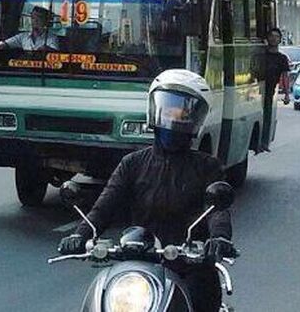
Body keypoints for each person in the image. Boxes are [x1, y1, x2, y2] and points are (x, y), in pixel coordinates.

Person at [58, 69, 236, 312]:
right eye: (169, 107)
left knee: (204, 301)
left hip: (190, 264)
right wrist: (81, 234)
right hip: (139, 262)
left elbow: (217, 209)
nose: (174, 117)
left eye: (183, 111)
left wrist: (219, 239)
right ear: (155, 108)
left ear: (195, 117)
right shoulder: (133, 163)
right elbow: (105, 205)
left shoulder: (207, 167)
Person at [260, 27, 290, 151]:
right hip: (256, 91)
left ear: (280, 40)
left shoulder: (282, 58)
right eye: (271, 36)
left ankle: (264, 143)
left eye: (276, 36)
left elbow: (285, 76)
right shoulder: (261, 55)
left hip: (270, 91)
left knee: (267, 116)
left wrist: (287, 94)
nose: (273, 38)